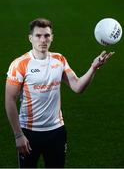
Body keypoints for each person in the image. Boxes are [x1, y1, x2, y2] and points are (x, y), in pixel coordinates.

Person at [5, 18, 114, 168]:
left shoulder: (59, 59)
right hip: (29, 133)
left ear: (52, 37)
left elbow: (77, 86)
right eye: (38, 35)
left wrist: (93, 68)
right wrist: (18, 135)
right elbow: (10, 100)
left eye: (47, 35)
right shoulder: (19, 64)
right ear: (30, 38)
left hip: (56, 131)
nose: (43, 40)